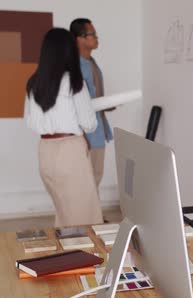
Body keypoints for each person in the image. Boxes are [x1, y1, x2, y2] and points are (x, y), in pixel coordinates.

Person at [24, 28, 103, 227]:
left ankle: (66, 255)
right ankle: (89, 257)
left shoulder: (33, 83)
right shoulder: (74, 82)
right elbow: (89, 123)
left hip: (45, 151)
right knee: (86, 217)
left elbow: (30, 121)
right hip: (70, 150)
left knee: (64, 213)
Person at [69, 18, 114, 195]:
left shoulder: (92, 63)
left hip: (98, 128)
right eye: (92, 34)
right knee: (86, 179)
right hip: (85, 133)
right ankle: (87, 218)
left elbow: (93, 96)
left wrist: (107, 104)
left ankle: (92, 217)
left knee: (95, 176)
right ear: (79, 38)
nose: (96, 38)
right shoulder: (75, 66)